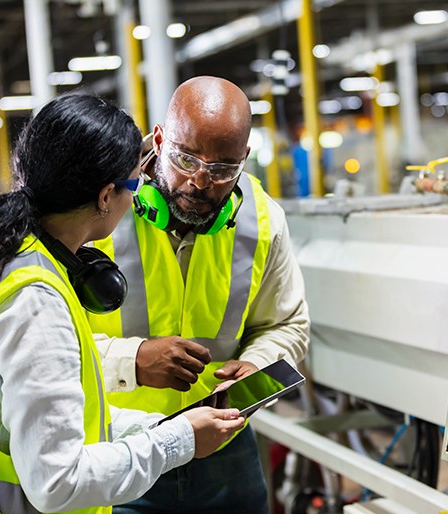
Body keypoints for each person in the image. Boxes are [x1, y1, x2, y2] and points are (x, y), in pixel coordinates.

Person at [0, 94, 245, 513]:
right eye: (133, 185)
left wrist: (167, 426)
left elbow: (66, 417)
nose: (137, 199)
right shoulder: (35, 305)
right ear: (106, 196)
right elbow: (60, 482)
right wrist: (175, 442)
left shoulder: (5, 260)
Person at [89, 76, 310, 513]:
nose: (200, 182)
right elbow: (48, 346)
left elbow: (287, 324)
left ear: (245, 158)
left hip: (222, 444)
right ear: (157, 139)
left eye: (224, 169)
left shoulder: (262, 222)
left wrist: (258, 366)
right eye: (186, 158)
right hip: (118, 444)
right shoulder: (98, 212)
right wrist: (130, 362)